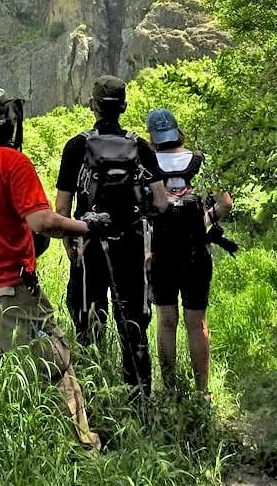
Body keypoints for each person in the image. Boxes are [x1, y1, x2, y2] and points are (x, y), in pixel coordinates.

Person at [0, 87, 108, 449]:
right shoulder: (12, 162)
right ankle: (81, 446)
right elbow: (41, 221)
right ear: (8, 124)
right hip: (7, 289)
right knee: (52, 366)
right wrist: (86, 226)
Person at [55, 75, 168, 395]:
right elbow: (161, 203)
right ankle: (139, 401)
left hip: (88, 246)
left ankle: (94, 398)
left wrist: (71, 246)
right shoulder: (140, 146)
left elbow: (61, 208)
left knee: (89, 326)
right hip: (131, 247)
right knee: (133, 328)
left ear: (92, 105)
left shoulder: (76, 146)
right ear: (124, 107)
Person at [144, 107, 237, 396]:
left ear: (153, 137)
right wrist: (203, 221)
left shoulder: (147, 164)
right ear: (178, 133)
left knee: (166, 321)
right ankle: (202, 392)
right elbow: (225, 203)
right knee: (197, 323)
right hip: (196, 253)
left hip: (161, 254)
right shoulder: (200, 161)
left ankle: (170, 390)